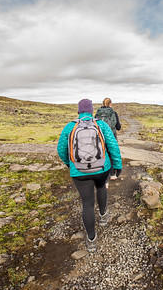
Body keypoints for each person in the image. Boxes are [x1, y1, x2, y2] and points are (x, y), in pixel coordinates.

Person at [57, 99, 122, 252]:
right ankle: (103, 215)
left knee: (87, 203)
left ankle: (91, 239)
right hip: (101, 169)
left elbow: (61, 149)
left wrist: (70, 164)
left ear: (79, 111)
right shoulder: (101, 125)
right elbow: (113, 145)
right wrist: (117, 165)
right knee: (101, 188)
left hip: (79, 172)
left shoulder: (70, 127)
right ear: (92, 111)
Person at [95, 97, 121, 180]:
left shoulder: (97, 113)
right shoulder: (114, 113)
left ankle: (103, 175)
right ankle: (113, 174)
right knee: (111, 153)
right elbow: (118, 127)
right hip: (111, 136)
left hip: (99, 137)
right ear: (110, 104)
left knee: (102, 154)